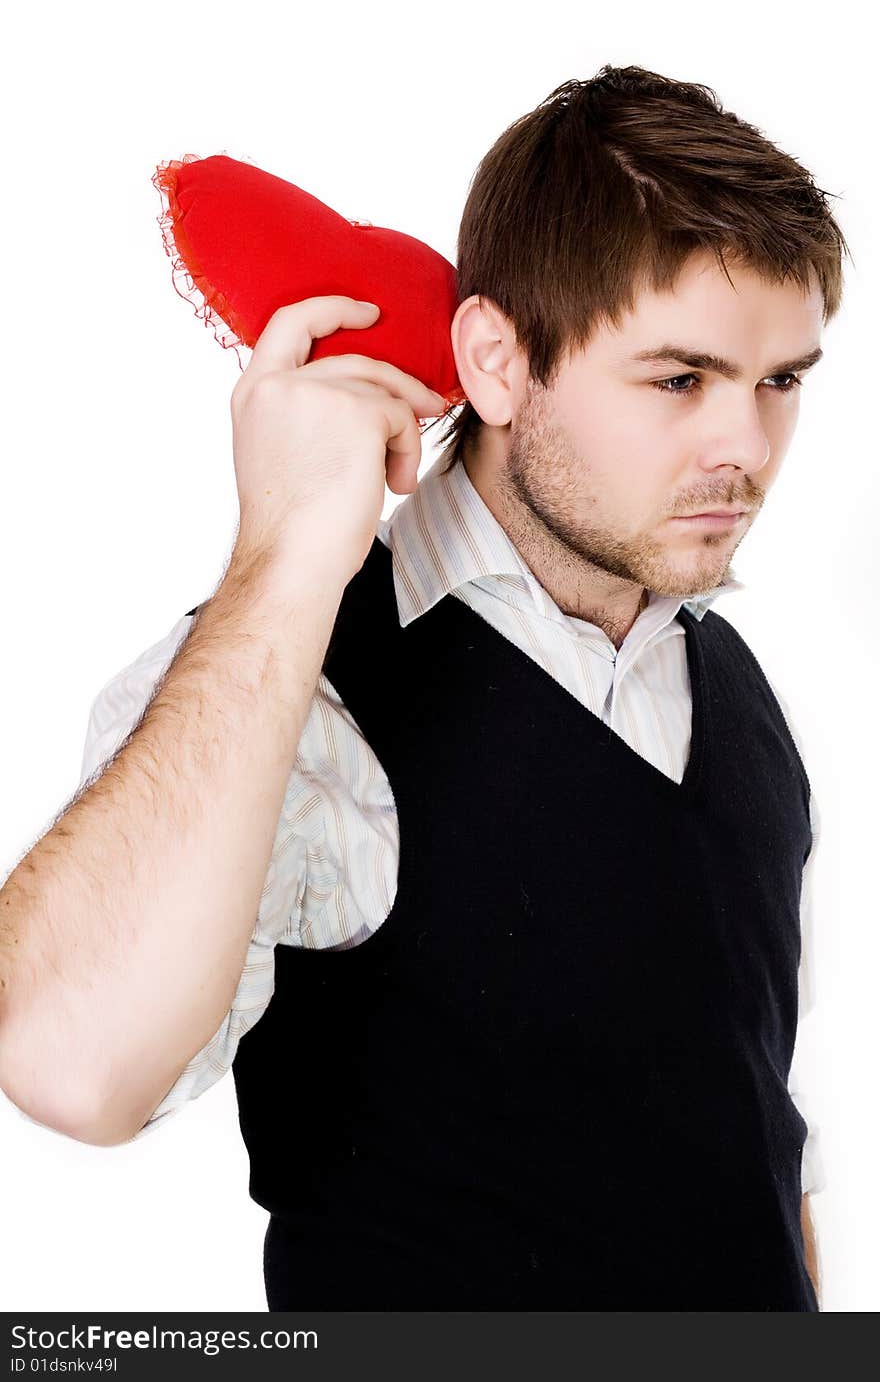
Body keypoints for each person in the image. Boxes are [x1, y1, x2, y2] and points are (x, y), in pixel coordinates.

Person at [0, 65, 848, 1310]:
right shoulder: (292, 676)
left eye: (780, 382)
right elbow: (70, 1067)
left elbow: (761, 1133)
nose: (746, 450)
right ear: (497, 363)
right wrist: (285, 555)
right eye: (679, 380)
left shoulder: (737, 687)